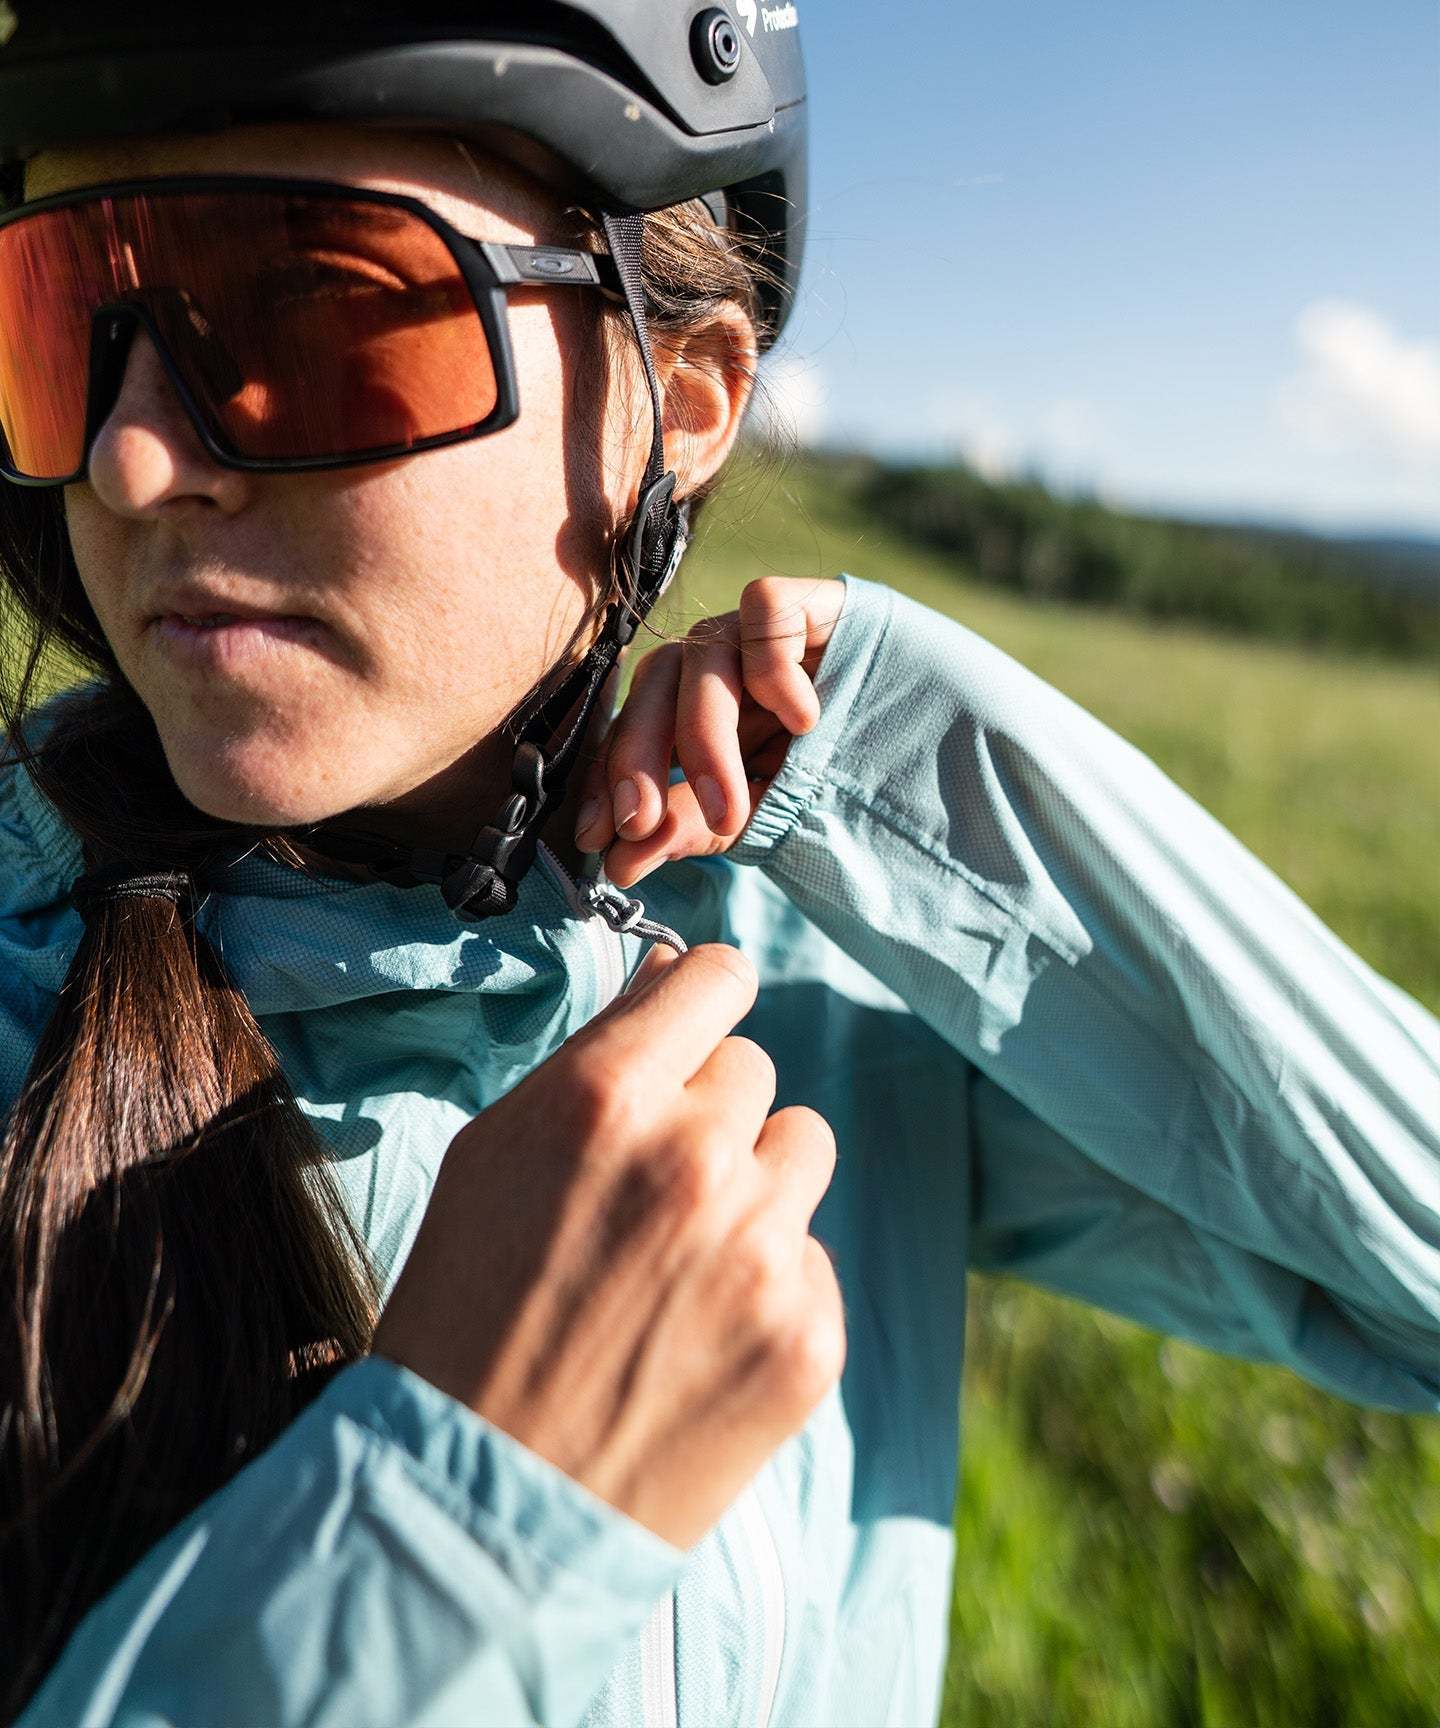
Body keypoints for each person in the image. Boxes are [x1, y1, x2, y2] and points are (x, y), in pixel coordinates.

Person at [0, 7, 1435, 1726]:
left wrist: (890, 751)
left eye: (315, 310)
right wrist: (467, 1520)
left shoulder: (823, 982)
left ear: (679, 406)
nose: (131, 456)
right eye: (58, 324)